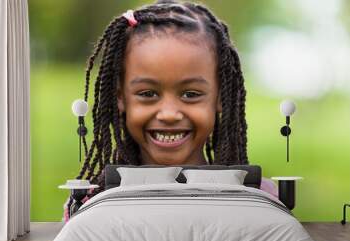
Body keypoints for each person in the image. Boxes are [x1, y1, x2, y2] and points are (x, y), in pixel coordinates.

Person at [63, 0, 276, 222]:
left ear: (220, 97)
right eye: (147, 94)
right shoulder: (91, 201)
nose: (169, 114)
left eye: (190, 94)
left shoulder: (257, 196)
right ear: (121, 97)